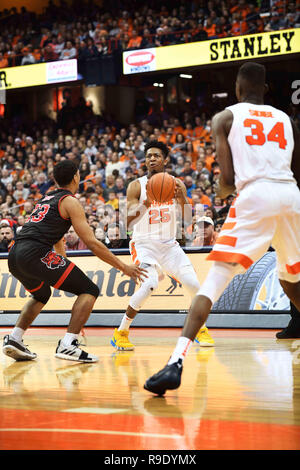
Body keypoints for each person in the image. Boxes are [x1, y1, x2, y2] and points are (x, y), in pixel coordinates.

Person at [144, 62, 300, 395]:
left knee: (213, 282)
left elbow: (227, 181)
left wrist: (221, 191)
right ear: (266, 89)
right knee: (291, 279)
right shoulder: (287, 120)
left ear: (237, 88)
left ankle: (175, 363)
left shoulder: (225, 117)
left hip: (256, 197)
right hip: (291, 196)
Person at [2, 160, 146, 363]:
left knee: (41, 294)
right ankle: (68, 344)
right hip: (35, 253)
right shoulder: (70, 201)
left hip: (14, 255)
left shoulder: (46, 198)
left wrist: (64, 266)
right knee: (90, 290)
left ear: (55, 179)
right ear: (76, 177)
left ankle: (14, 338)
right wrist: (124, 267)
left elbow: (58, 236)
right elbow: (92, 243)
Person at [110, 140, 214, 351]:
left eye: (156, 155)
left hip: (169, 245)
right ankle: (121, 332)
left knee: (194, 284)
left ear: (166, 159)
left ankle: (200, 328)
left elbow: (186, 220)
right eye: (148, 156)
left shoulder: (177, 184)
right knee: (149, 285)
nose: (152, 159)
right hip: (143, 244)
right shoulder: (136, 186)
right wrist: (146, 204)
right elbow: (127, 224)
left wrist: (183, 198)